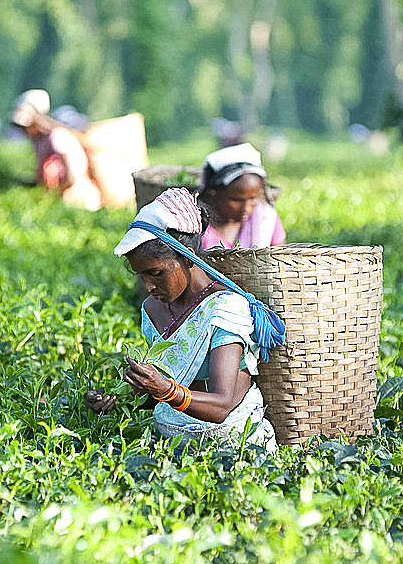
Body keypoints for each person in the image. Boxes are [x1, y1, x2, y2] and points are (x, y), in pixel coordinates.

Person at [85, 188, 282, 450]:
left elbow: (222, 405)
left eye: (156, 273)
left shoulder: (225, 309)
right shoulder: (153, 310)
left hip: (231, 441)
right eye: (141, 276)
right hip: (172, 436)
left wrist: (164, 388)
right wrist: (117, 396)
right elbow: (168, 387)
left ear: (188, 257)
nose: (148, 286)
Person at [11, 89, 103, 211]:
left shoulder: (57, 137)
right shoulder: (40, 140)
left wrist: (57, 195)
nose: (25, 131)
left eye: (26, 126)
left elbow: (73, 175)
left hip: (77, 197)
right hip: (61, 197)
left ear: (36, 119)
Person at [199, 142, 286, 250]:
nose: (246, 208)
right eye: (236, 200)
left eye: (253, 199)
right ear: (214, 194)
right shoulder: (198, 228)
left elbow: (280, 257)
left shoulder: (266, 218)